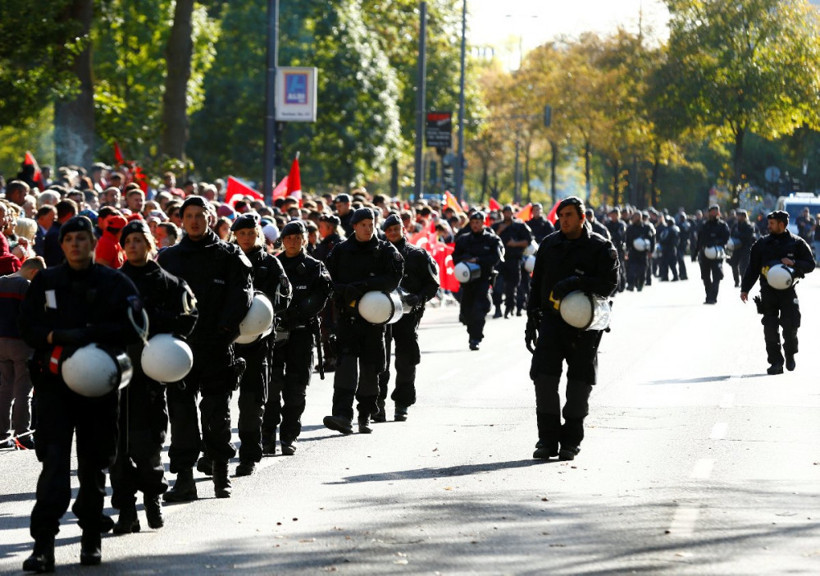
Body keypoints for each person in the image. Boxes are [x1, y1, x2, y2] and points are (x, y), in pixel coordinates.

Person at [19, 216, 142, 571]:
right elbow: (27, 326)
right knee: (54, 465)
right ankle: (44, 545)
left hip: (98, 389)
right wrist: (57, 338)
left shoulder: (114, 282)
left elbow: (133, 326)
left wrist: (93, 334)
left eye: (82, 238)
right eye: (69, 239)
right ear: (62, 245)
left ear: (93, 242)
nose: (75, 244)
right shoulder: (46, 280)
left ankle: (91, 539)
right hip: (54, 387)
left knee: (93, 466)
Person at [157, 196, 253, 501]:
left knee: (216, 414)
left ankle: (220, 474)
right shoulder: (170, 257)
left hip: (216, 346)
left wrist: (225, 328)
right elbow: (160, 298)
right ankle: (184, 478)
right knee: (181, 415)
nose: (195, 220)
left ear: (209, 218)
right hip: (180, 349)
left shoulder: (228, 254)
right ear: (181, 220)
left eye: (200, 215)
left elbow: (243, 294)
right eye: (189, 216)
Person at [109, 220, 198, 534]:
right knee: (116, 452)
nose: (133, 245)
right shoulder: (112, 283)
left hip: (150, 380)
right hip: (117, 378)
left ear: (150, 244)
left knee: (148, 449)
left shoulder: (171, 283)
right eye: (128, 241)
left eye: (138, 240)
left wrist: (152, 319)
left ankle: (152, 499)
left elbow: (189, 319)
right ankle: (126, 511)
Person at [525, 196, 618, 462]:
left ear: (581, 218)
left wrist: (579, 282)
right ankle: (547, 438)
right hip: (552, 324)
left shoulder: (600, 247)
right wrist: (531, 319)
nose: (563, 220)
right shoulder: (549, 244)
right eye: (561, 216)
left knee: (579, 385)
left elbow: (610, 284)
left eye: (569, 215)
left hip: (585, 327)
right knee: (543, 379)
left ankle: (571, 440)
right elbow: (537, 284)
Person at [323, 208, 403, 435]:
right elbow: (328, 280)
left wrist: (364, 287)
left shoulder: (385, 250)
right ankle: (342, 415)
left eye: (371, 224)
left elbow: (393, 278)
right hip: (348, 319)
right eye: (363, 224)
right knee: (345, 367)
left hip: (374, 322)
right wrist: (344, 290)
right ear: (354, 226)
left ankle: (365, 414)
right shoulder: (340, 251)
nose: (368, 228)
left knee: (370, 368)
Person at [229, 213, 291, 476]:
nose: (245, 238)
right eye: (241, 233)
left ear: (259, 234)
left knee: (252, 401)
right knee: (217, 400)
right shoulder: (227, 260)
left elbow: (285, 296)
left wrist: (268, 312)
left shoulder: (271, 264)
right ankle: (214, 453)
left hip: (259, 341)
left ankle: (249, 454)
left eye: (250, 233)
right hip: (228, 339)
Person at [263, 220, 332, 454]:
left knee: (296, 389)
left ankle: (289, 435)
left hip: (301, 334)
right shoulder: (273, 264)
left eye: (297, 237)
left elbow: (321, 296)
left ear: (305, 239)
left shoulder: (315, 267)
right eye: (288, 237)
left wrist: (296, 316)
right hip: (274, 334)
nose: (292, 241)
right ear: (282, 240)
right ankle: (267, 436)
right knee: (271, 387)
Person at [376, 214, 440, 422]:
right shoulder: (378, 253)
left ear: (403, 229)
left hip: (408, 315)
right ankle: (377, 404)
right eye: (389, 230)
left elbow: (433, 284)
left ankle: (402, 403)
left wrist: (419, 298)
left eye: (396, 229)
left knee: (406, 360)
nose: (393, 233)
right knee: (379, 361)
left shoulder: (418, 254)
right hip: (381, 315)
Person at [740, 210, 815, 374]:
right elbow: (752, 269)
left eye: (772, 223)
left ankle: (790, 354)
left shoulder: (797, 243)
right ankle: (776, 362)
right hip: (768, 292)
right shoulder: (761, 245)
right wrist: (745, 288)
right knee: (770, 329)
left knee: (790, 327)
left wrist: (794, 263)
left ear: (782, 224)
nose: (768, 226)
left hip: (788, 292)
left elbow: (810, 264)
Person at [0, 257, 45, 450]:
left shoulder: (1, 281)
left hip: (0, 342)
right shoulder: (26, 286)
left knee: (4, 388)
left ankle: (2, 433)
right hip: (21, 344)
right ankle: (23, 435)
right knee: (23, 390)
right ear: (34, 272)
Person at [453, 211, 504, 350]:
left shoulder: (492, 240)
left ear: (483, 223)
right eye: (473, 222)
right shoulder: (463, 239)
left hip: (483, 279)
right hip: (467, 281)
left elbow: (496, 258)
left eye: (478, 222)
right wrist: (465, 260)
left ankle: (475, 338)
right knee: (466, 312)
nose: (475, 225)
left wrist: (478, 260)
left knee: (478, 309)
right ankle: (472, 333)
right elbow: (455, 257)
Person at [491, 205, 533, 318]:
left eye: (509, 212)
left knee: (511, 287)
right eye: (505, 212)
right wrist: (500, 230)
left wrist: (515, 244)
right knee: (497, 286)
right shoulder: (496, 226)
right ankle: (498, 309)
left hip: (514, 260)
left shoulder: (520, 226)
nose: (507, 214)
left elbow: (527, 241)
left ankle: (509, 309)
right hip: (499, 261)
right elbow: (489, 240)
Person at [696, 204, 731, 304]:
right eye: (712, 212)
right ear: (708, 213)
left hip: (717, 254)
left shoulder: (723, 225)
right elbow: (700, 239)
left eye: (716, 212)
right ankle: (708, 296)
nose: (714, 214)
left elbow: (726, 238)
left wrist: (717, 242)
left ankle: (713, 297)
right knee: (705, 276)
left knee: (717, 276)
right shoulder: (704, 225)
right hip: (705, 254)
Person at [624, 211, 654, 292]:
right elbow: (627, 240)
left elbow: (652, 239)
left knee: (642, 269)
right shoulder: (630, 228)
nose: (633, 219)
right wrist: (626, 251)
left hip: (643, 252)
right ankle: (631, 284)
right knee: (631, 268)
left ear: (639, 218)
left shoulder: (646, 227)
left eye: (634, 217)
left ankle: (640, 283)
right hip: (633, 251)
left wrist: (651, 251)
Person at [728, 209, 756, 287]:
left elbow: (748, 236)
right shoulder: (735, 225)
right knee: (734, 264)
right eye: (738, 215)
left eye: (740, 215)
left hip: (745, 248)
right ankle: (736, 281)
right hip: (736, 248)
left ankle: (743, 281)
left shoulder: (749, 226)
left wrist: (739, 235)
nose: (738, 217)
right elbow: (732, 234)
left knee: (743, 267)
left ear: (744, 217)